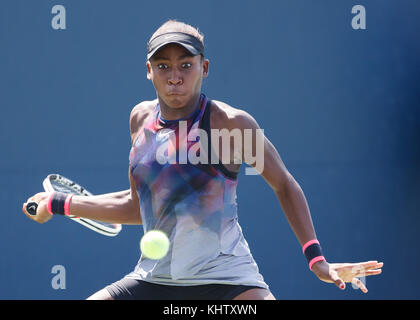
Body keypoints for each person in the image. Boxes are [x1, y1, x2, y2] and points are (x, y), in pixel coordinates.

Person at [22, 20, 383, 300]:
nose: (174, 77)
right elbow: (139, 206)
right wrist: (59, 204)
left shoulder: (232, 124)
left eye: (186, 65)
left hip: (229, 283)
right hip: (154, 280)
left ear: (204, 67)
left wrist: (316, 260)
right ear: (149, 70)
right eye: (163, 66)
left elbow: (284, 184)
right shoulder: (140, 121)